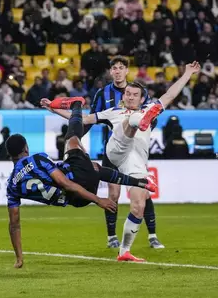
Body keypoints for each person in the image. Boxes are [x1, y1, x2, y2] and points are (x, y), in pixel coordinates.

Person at [46, 61, 200, 262]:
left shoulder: (148, 107)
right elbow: (82, 119)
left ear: (142, 97)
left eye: (135, 95)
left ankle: (124, 251)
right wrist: (53, 109)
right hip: (116, 151)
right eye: (127, 94)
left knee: (138, 206)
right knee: (131, 121)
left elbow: (170, 94)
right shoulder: (113, 112)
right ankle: (137, 122)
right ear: (124, 95)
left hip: (135, 161)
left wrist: (187, 73)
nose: (130, 96)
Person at [5, 96, 155, 269]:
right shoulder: (36, 159)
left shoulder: (11, 186)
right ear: (26, 148)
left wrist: (19, 258)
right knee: (73, 140)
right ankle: (77, 103)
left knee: (94, 167)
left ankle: (140, 182)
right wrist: (98, 200)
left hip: (77, 201)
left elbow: (14, 224)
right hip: (79, 181)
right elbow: (66, 183)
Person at [89, 57, 164, 249]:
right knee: (113, 195)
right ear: (111, 71)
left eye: (121, 68)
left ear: (126, 71)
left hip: (135, 149)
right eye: (114, 68)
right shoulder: (102, 93)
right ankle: (111, 237)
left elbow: (150, 115)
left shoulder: (140, 92)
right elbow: (91, 118)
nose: (117, 71)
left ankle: (153, 235)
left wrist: (145, 130)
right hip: (114, 148)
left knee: (143, 193)